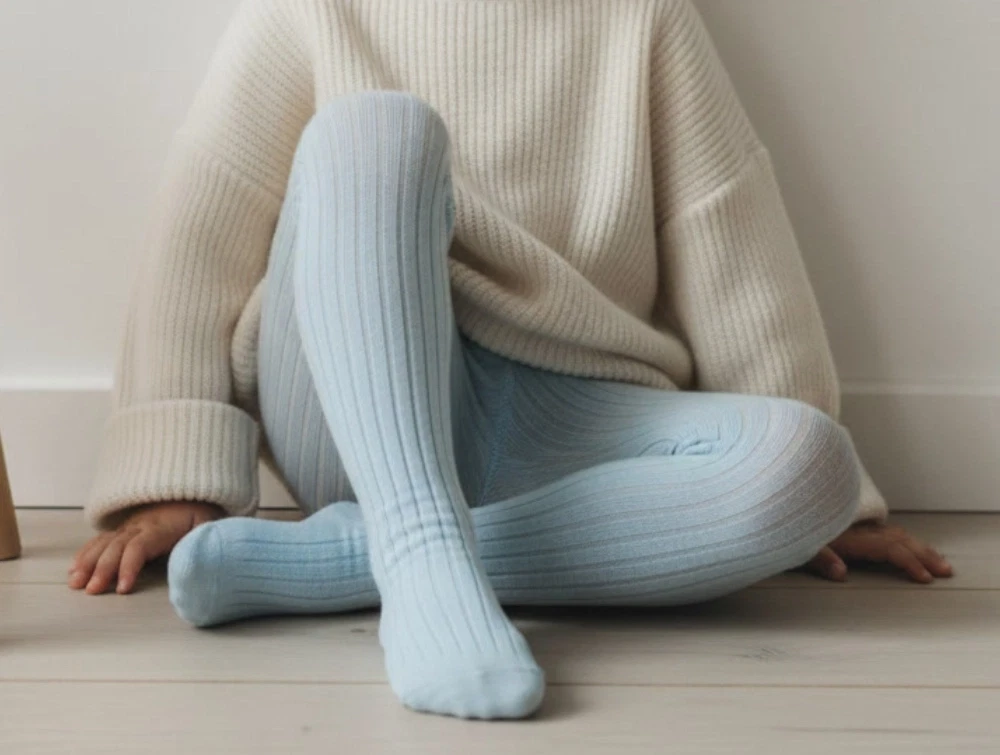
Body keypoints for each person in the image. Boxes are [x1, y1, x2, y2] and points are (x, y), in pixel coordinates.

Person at [67, 0, 952, 720]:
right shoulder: (310, 8)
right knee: (375, 130)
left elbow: (730, 239)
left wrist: (832, 508)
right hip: (361, 409)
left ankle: (358, 557)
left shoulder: (645, 17)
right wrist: (173, 470)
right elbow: (203, 230)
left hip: (572, 424)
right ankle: (415, 537)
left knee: (813, 460)